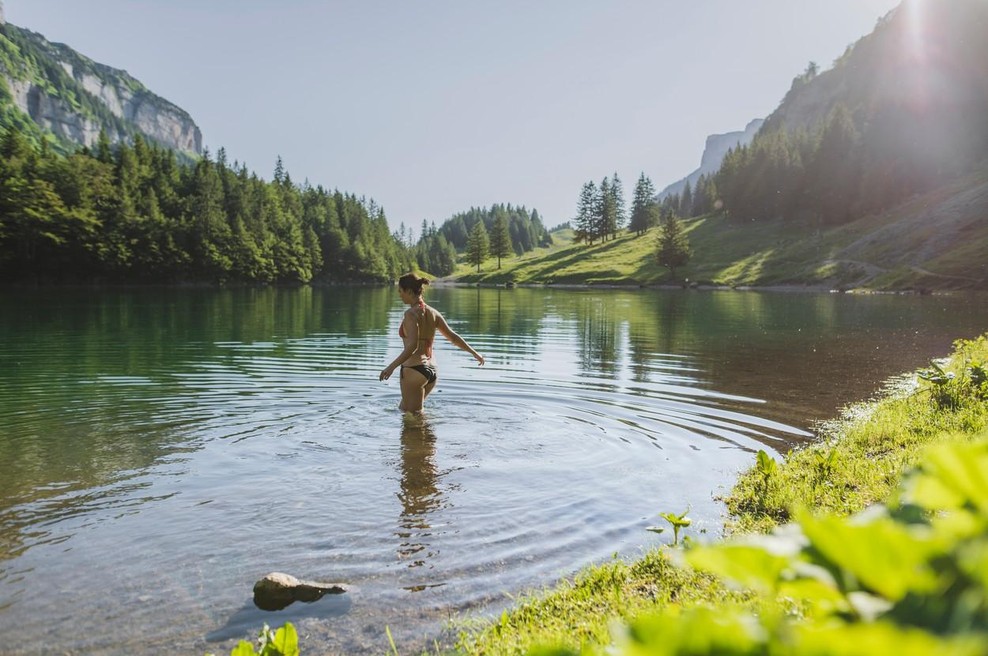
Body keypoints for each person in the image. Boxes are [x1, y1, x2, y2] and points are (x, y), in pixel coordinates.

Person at [379, 273, 484, 413]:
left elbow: (412, 347)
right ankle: (426, 435)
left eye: (400, 291)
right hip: (432, 371)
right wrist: (474, 353)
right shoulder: (433, 312)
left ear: (409, 291)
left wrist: (391, 367)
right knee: (404, 410)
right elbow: (453, 337)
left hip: (414, 371)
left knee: (414, 418)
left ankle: (426, 432)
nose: (399, 294)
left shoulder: (410, 315)